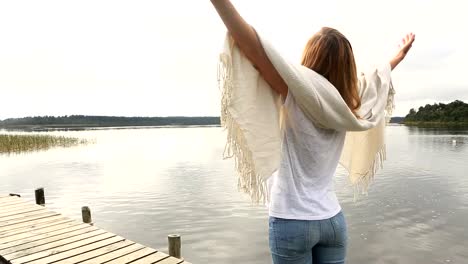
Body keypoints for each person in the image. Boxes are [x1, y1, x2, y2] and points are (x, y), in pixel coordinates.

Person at [209, 1, 415, 264]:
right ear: (347, 66)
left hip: (292, 220)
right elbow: (376, 79)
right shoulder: (350, 103)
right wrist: (398, 55)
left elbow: (251, 45)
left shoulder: (296, 91)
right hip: (332, 221)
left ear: (310, 57)